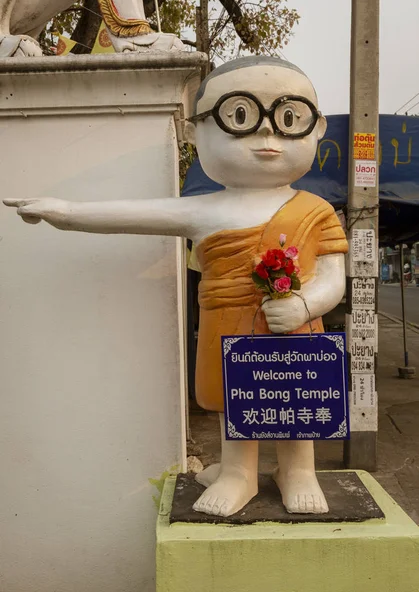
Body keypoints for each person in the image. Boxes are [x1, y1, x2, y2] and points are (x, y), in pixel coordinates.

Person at [4, 56, 348, 517]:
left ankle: (298, 470)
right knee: (235, 398)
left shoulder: (316, 210)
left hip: (296, 329)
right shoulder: (205, 210)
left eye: (289, 118)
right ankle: (238, 472)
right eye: (241, 116)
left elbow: (332, 278)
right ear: (194, 132)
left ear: (316, 127)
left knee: (294, 397)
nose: (267, 137)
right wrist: (65, 211)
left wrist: (307, 303)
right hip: (226, 324)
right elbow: (134, 215)